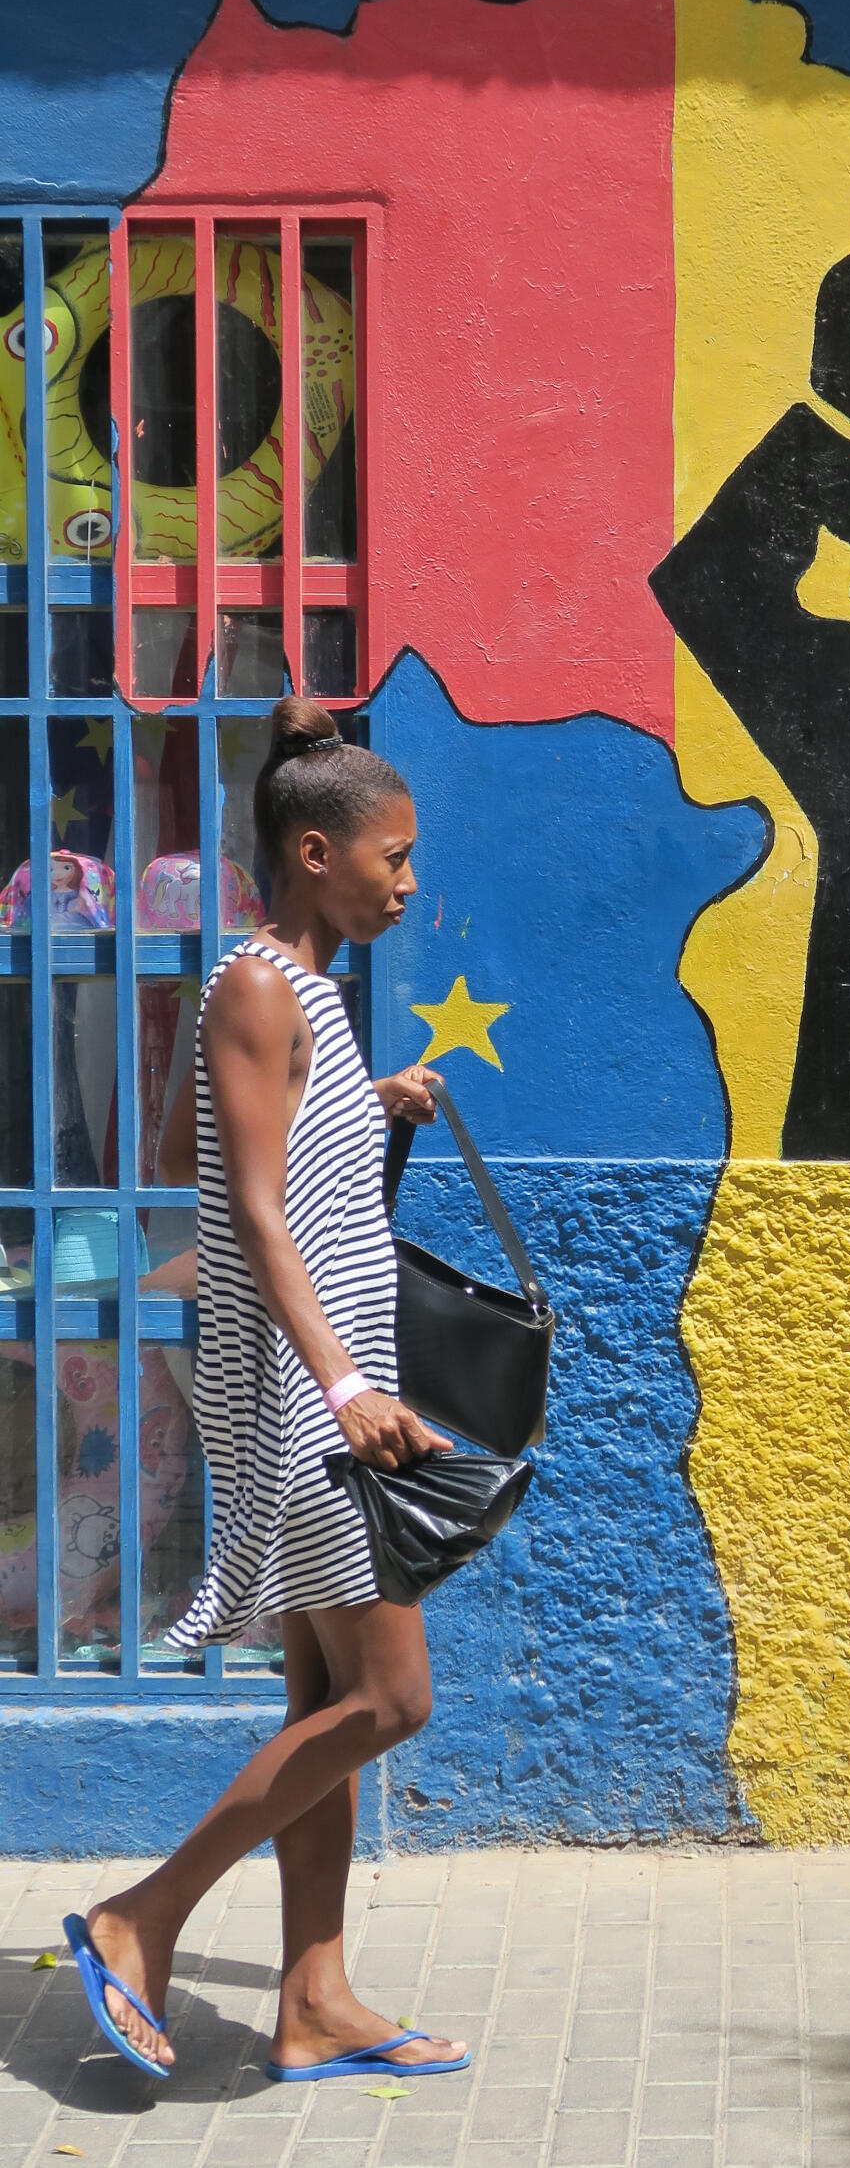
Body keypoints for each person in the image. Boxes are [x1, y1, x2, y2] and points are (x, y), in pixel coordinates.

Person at [64, 697, 469, 2083]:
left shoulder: (297, 992)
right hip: (308, 1396)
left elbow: (192, 1134)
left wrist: (373, 1098)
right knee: (394, 1694)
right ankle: (141, 1911)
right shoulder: (257, 983)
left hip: (324, 1375)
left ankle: (314, 1995)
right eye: (393, 858)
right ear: (315, 850)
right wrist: (346, 1378)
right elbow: (244, 1206)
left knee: (320, 1698)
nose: (408, 882)